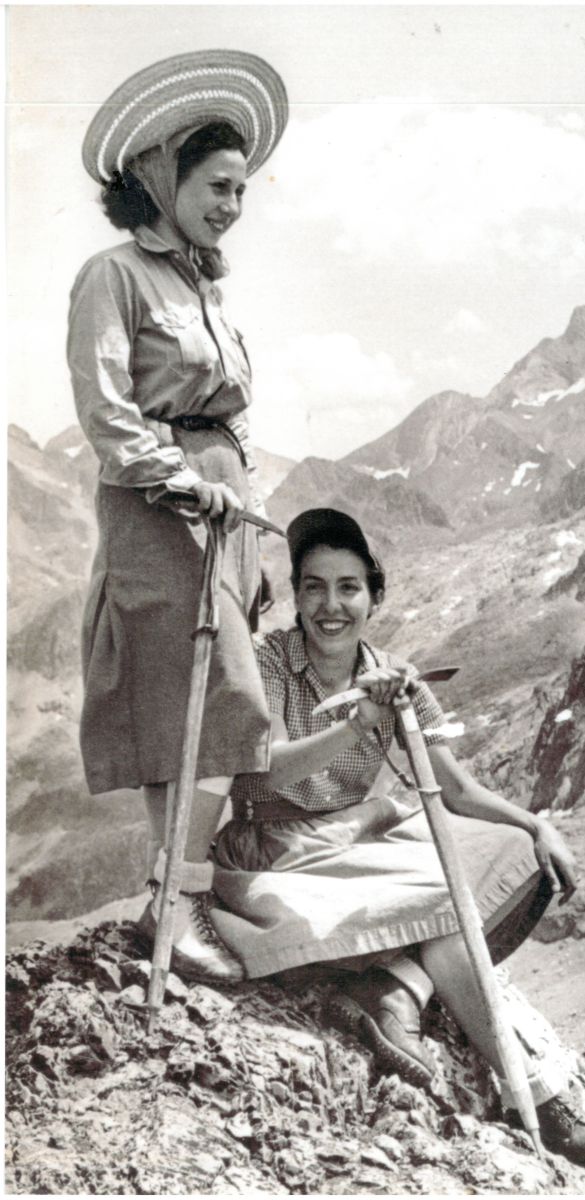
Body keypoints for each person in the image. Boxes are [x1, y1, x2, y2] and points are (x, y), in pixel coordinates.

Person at [209, 508, 585, 1169]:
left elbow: (456, 790)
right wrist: (358, 723)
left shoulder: (393, 673)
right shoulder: (268, 662)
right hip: (280, 848)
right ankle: (537, 1094)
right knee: (446, 902)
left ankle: (399, 984)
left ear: (374, 597)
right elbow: (258, 773)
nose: (330, 605)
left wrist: (535, 823)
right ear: (297, 596)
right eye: (314, 587)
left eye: (348, 587)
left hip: (359, 835)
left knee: (517, 854)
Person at [67, 51, 288, 984]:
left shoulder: (205, 289)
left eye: (240, 191)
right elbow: (105, 409)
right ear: (163, 178)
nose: (232, 205)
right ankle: (176, 899)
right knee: (206, 704)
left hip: (222, 509)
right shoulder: (113, 275)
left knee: (206, 713)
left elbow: (231, 418)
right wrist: (181, 480)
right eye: (217, 186)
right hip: (160, 508)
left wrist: (249, 514)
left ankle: (180, 895)